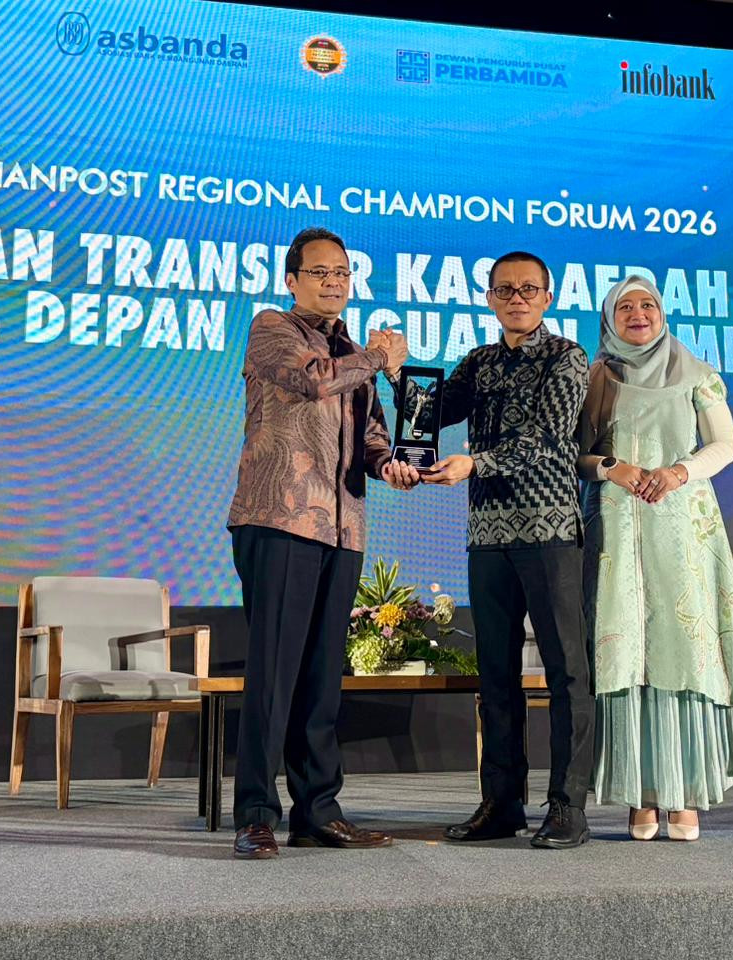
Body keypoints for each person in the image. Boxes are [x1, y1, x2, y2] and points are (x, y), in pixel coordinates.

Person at [227, 227, 420, 860]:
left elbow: (370, 437)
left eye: (342, 272)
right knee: (275, 674)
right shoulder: (272, 328)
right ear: (292, 280)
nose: (334, 282)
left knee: (321, 680)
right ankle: (256, 814)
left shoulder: (352, 353)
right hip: (280, 518)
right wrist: (378, 356)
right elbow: (313, 381)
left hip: (343, 527)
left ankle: (317, 811)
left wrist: (391, 465)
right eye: (320, 272)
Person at [416, 250, 595, 849]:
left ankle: (567, 805)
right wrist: (393, 374)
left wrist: (474, 463)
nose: (516, 299)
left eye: (528, 289)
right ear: (489, 298)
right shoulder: (480, 361)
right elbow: (431, 411)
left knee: (566, 672)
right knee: (495, 674)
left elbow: (545, 438)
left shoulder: (567, 357)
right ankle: (501, 803)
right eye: (504, 290)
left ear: (548, 297)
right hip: (488, 537)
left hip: (549, 534)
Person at [578, 275, 733, 842]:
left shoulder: (698, 374)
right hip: (614, 526)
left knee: (682, 648)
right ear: (609, 319)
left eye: (649, 305)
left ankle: (686, 794)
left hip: (682, 526)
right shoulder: (596, 375)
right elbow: (574, 454)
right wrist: (612, 468)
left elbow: (725, 445)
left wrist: (679, 472)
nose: (639, 314)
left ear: (663, 313)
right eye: (625, 307)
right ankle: (642, 794)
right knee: (626, 651)